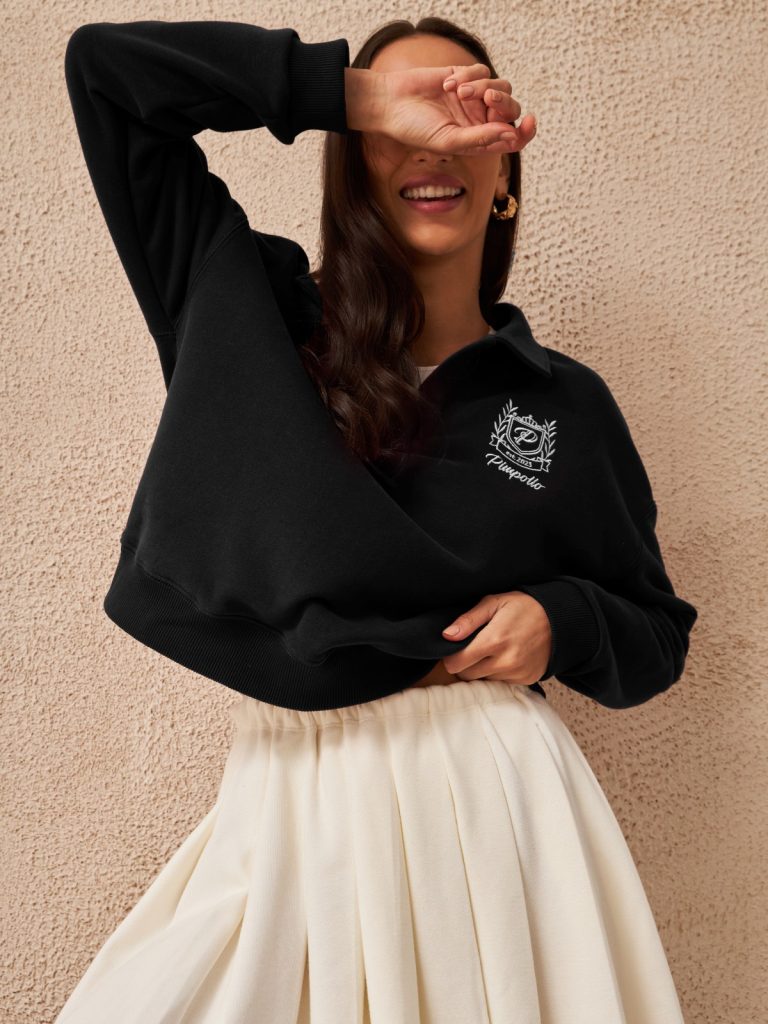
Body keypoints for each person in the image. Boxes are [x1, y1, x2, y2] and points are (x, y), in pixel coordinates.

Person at [56, 15, 697, 1023]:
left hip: (500, 816)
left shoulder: (563, 405)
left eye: (464, 111)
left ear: (506, 170)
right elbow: (107, 74)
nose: (433, 144)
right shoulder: (250, 320)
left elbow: (656, 633)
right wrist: (353, 99)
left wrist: (561, 619)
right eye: (405, 121)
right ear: (352, 161)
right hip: (292, 802)